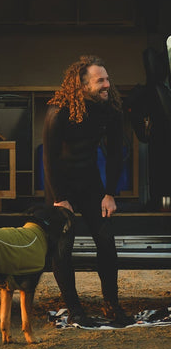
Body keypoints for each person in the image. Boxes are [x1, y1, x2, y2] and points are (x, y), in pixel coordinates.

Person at [42, 55, 133, 326]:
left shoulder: (110, 109)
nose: (107, 84)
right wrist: (60, 198)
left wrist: (110, 193)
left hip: (91, 184)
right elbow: (49, 158)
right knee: (62, 249)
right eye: (100, 81)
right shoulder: (59, 110)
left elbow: (116, 153)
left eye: (107, 79)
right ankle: (75, 309)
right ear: (82, 86)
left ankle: (111, 305)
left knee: (106, 241)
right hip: (60, 186)